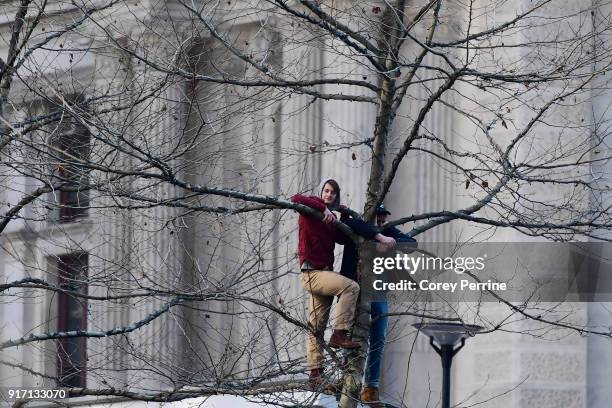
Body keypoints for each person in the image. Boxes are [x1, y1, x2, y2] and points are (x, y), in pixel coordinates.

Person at [291, 179, 395, 388]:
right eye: (326, 191)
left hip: (324, 273)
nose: (328, 195)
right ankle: (339, 334)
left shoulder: (331, 221)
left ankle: (315, 373)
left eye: (332, 193)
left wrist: (343, 215)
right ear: (321, 193)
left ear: (336, 197)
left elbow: (341, 237)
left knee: (316, 327)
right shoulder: (311, 208)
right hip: (312, 272)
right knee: (351, 287)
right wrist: (323, 208)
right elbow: (295, 199)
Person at [339, 204, 416, 407]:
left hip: (379, 291)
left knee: (379, 338)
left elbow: (411, 243)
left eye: (383, 218)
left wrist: (390, 243)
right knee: (350, 336)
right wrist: (375, 240)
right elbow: (343, 229)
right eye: (378, 218)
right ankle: (343, 380)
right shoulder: (357, 227)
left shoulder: (388, 231)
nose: (381, 222)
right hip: (356, 290)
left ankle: (371, 387)